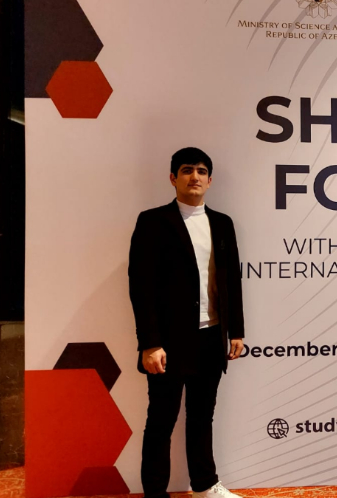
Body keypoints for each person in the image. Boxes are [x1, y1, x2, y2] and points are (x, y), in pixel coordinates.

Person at [129, 147, 245, 498]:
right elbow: (141, 286)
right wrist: (150, 342)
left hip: (211, 336)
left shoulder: (222, 224)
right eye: (186, 170)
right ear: (173, 178)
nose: (194, 176)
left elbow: (232, 281)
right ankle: (155, 493)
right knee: (161, 420)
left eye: (201, 171)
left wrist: (236, 330)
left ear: (210, 180)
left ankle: (205, 486)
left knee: (201, 417)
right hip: (168, 341)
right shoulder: (152, 222)